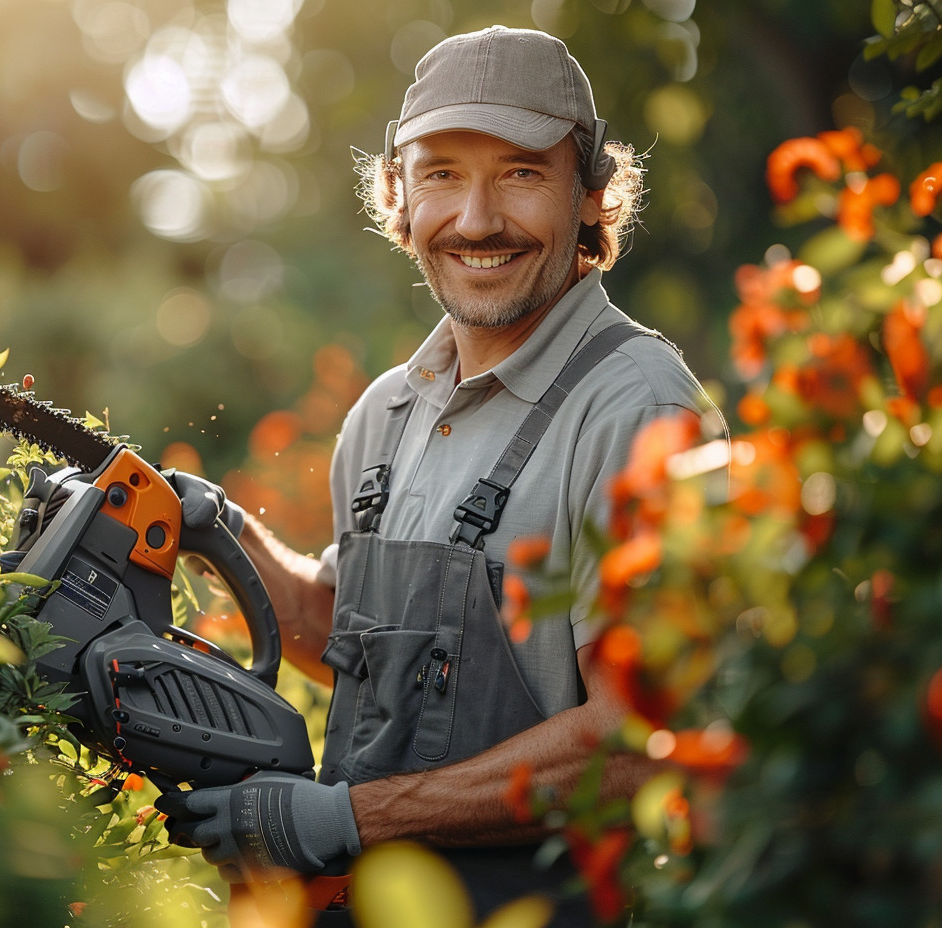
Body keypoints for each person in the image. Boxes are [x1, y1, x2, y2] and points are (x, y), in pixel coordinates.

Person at [157, 25, 724, 926]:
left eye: (521, 173)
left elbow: (636, 742)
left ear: (591, 195)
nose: (475, 219)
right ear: (399, 196)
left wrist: (345, 817)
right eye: (442, 174)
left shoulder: (638, 413)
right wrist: (210, 530)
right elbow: (350, 639)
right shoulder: (387, 411)